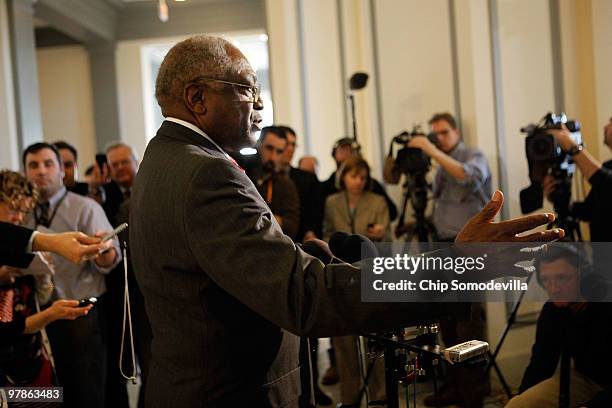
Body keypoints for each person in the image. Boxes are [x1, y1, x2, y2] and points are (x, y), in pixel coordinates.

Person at [129, 35, 563, 408]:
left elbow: (220, 271)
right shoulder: (206, 172)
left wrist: (306, 254)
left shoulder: (162, 158)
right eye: (248, 87)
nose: (260, 102)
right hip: (229, 394)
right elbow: (304, 297)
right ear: (198, 97)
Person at [22, 142, 120, 408]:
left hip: (80, 316)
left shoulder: (85, 208)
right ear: (25, 172)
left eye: (48, 164)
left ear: (62, 171)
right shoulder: (20, 212)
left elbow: (111, 260)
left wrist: (103, 250)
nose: (41, 171)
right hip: (36, 318)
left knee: (85, 392)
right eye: (33, 165)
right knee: (43, 396)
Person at [0, 169, 93, 386]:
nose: (18, 218)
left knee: (44, 400)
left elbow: (42, 299)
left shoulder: (21, 247)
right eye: (13, 209)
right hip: (5, 362)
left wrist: (44, 275)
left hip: (30, 356)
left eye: (23, 212)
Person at [506, 245, 612, 408]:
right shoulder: (553, 310)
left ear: (583, 275)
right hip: (587, 379)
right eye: (546, 280)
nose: (554, 289)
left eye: (562, 278)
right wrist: (522, 397)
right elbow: (540, 366)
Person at [323, 156, 389, 406]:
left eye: (363, 177)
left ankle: (379, 396)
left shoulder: (378, 201)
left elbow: (388, 236)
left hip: (372, 274)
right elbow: (327, 232)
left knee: (377, 340)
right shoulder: (331, 202)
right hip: (341, 274)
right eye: (353, 176)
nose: (358, 182)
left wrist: (381, 233)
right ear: (343, 177)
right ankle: (350, 399)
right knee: (344, 342)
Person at [543, 118, 612, 242]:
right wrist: (561, 200)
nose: (605, 127)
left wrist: (572, 147)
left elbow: (607, 185)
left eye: (611, 122)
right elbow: (589, 211)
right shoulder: (608, 166)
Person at [322, 137, 398, 221]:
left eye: (350, 151)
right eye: (342, 151)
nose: (346, 154)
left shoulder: (371, 185)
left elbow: (392, 213)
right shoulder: (324, 189)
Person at [248, 126, 300, 239]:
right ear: (258, 144)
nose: (273, 157)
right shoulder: (239, 169)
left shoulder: (285, 184)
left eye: (279, 151)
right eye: (269, 148)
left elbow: (291, 226)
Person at [277, 126, 323, 242]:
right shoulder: (258, 177)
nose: (291, 149)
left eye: (293, 145)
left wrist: (311, 232)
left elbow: (314, 212)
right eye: (287, 144)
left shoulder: (308, 179)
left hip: (300, 241)